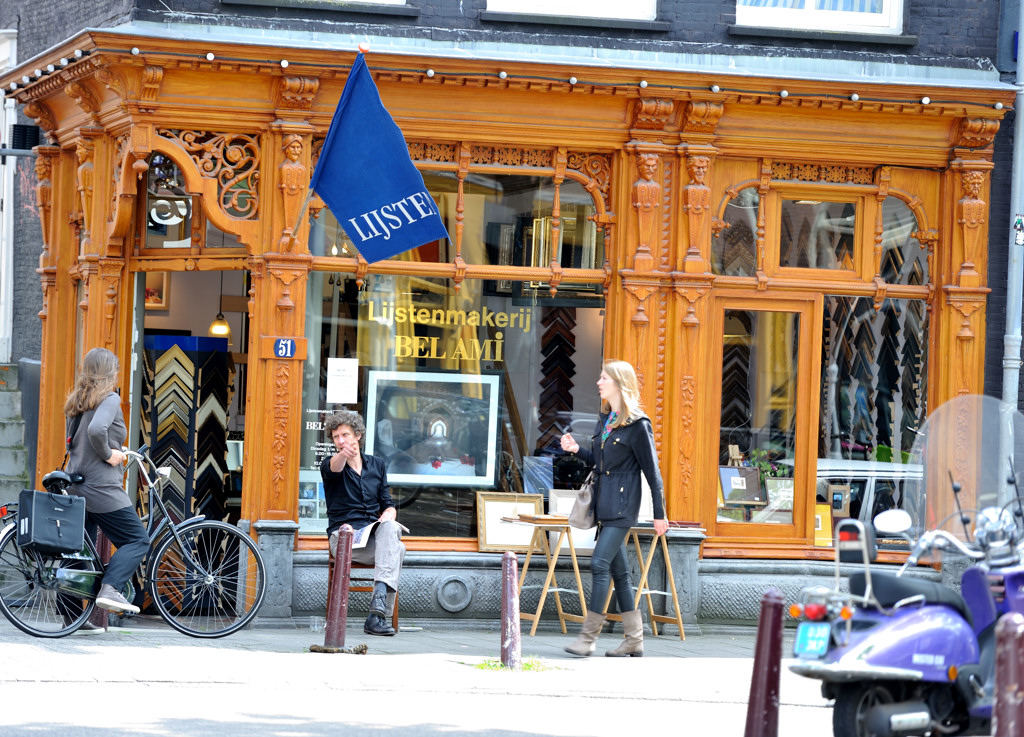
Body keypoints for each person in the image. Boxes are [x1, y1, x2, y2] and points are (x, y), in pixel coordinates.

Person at [559, 359, 668, 657]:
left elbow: (652, 472)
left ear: (619, 383)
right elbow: (600, 464)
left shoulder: (638, 425)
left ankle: (588, 637)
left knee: (598, 564)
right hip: (604, 505)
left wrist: (660, 513)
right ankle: (634, 640)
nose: (599, 382)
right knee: (621, 575)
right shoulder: (606, 420)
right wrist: (577, 450)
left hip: (623, 506)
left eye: (604, 377)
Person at [64, 347, 149, 623]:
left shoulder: (77, 401)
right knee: (137, 539)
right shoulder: (110, 399)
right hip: (102, 488)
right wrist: (112, 454)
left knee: (78, 551)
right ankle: (111, 588)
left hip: (76, 485)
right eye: (115, 369)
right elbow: (96, 431)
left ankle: (71, 618)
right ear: (108, 372)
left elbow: (79, 440)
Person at [321, 410, 406, 636]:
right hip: (343, 538)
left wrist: (389, 513)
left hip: (371, 537)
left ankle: (376, 613)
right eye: (336, 437)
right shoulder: (330, 464)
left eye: (345, 435)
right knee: (398, 549)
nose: (341, 441)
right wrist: (342, 454)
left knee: (390, 528)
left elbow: (387, 502)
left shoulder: (377, 465)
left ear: (358, 435)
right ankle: (377, 616)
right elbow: (334, 468)